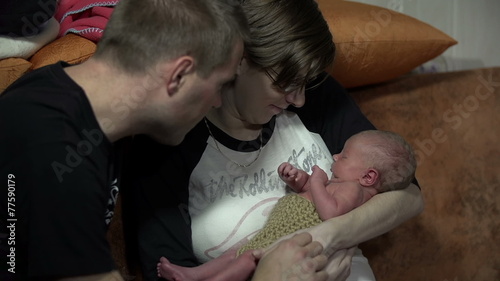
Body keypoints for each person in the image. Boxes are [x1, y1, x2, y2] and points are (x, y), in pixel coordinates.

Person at [127, 0, 425, 280]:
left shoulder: (317, 97)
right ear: (238, 59)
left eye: (305, 83)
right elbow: (167, 272)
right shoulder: (169, 140)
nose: (299, 99)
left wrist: (327, 237)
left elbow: (407, 195)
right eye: (285, 82)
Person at [0, 0, 273, 280]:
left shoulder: (63, 92)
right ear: (179, 76)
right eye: (220, 84)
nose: (217, 101)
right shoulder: (58, 152)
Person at [155, 130, 417, 281]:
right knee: (234, 253)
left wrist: (316, 180)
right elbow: (313, 196)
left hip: (292, 241)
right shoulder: (343, 183)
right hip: (279, 231)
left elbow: (330, 212)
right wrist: (299, 180)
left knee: (246, 260)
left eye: (344, 155)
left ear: (369, 177)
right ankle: (192, 274)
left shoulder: (354, 189)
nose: (335, 156)